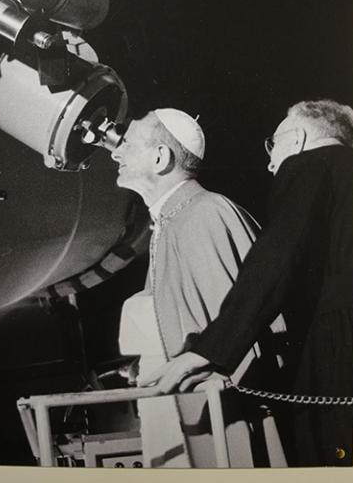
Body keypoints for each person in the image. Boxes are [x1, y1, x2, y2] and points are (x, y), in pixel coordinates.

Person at [140, 99, 353, 467]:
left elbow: (277, 259)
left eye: (272, 145)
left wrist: (208, 350)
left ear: (296, 138)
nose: (271, 162)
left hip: (339, 349)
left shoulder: (306, 165)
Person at [113, 108, 286, 468]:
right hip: (186, 411)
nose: (115, 153)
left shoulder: (204, 213)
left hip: (222, 423)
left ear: (160, 157)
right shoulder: (172, 220)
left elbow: (235, 338)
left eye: (127, 144)